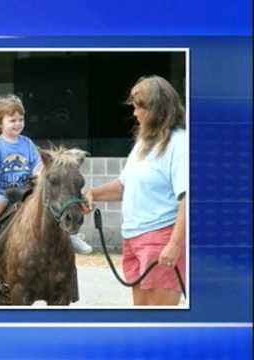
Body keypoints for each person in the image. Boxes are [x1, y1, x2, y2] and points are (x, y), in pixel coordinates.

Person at [83, 75, 186, 306]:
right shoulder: (143, 142)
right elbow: (124, 186)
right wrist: (93, 194)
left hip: (161, 238)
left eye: (140, 107)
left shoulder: (179, 144)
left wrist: (175, 245)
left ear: (159, 110)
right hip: (132, 238)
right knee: (141, 316)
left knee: (159, 321)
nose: (135, 113)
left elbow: (188, 199)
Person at [0, 94, 92, 266]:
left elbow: (37, 165)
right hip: (4, 191)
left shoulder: (27, 143)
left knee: (54, 209)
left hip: (26, 190)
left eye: (20, 119)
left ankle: (72, 236)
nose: (18, 124)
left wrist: (38, 175)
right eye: (12, 120)